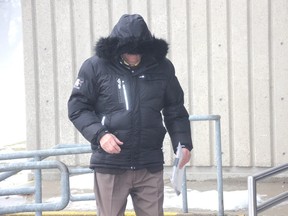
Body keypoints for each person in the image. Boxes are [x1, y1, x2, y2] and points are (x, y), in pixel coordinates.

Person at [68, 14, 193, 216]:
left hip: (149, 165)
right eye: (128, 51)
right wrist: (101, 135)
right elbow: (77, 108)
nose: (134, 56)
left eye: (139, 51)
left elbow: (175, 110)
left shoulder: (162, 67)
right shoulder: (95, 67)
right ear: (118, 47)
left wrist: (184, 143)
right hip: (111, 166)